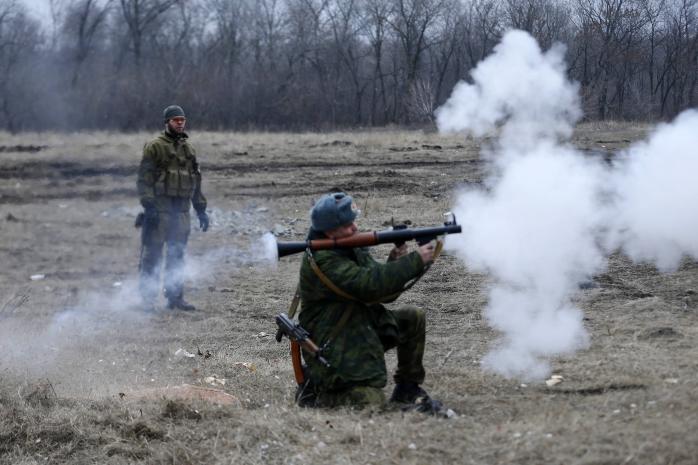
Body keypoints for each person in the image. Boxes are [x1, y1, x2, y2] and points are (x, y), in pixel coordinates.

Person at [297, 192, 437, 409]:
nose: (354, 228)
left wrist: (395, 262)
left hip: (360, 326)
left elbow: (378, 290)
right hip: (335, 341)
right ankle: (317, 393)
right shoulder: (324, 258)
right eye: (347, 224)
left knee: (412, 318)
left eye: (353, 221)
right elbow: (368, 284)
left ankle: (407, 389)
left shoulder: (348, 245)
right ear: (329, 230)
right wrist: (414, 261)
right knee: (371, 403)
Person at [136, 105, 209, 312]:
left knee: (177, 256)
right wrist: (149, 206)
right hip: (160, 210)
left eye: (182, 120)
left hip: (182, 211)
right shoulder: (154, 146)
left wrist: (201, 209)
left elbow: (196, 181)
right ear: (167, 122)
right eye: (175, 120)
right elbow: (144, 179)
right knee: (153, 256)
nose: (180, 123)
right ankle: (147, 301)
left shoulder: (189, 149)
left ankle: (175, 298)